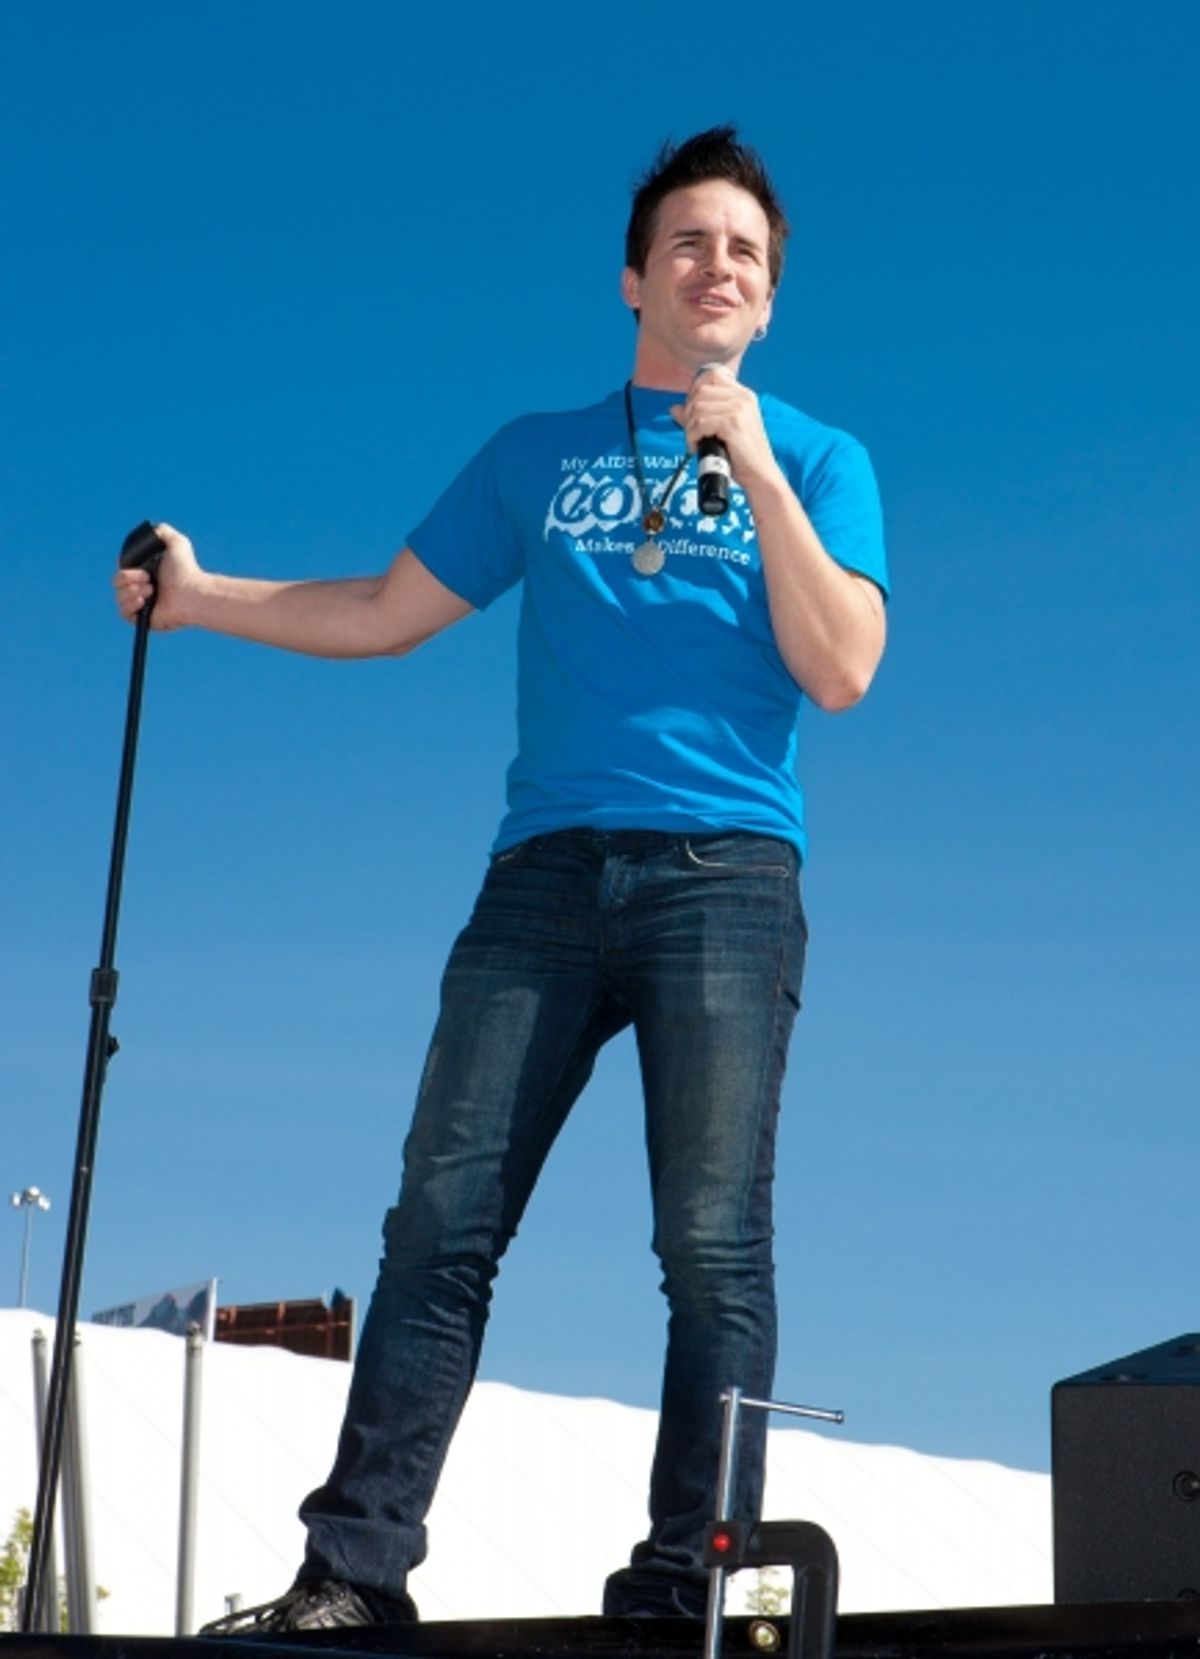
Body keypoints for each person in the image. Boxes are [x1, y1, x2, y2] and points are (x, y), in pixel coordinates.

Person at [116, 126, 889, 1631]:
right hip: (541, 877)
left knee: (712, 1243)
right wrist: (199, 600)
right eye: (686, 240)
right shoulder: (539, 454)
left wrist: (754, 471)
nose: (713, 263)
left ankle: (689, 1590)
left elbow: (844, 665)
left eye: (743, 249)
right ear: (633, 277)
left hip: (725, 876)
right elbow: (383, 609)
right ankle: (351, 1578)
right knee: (439, 1223)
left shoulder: (821, 458)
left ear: (769, 299)